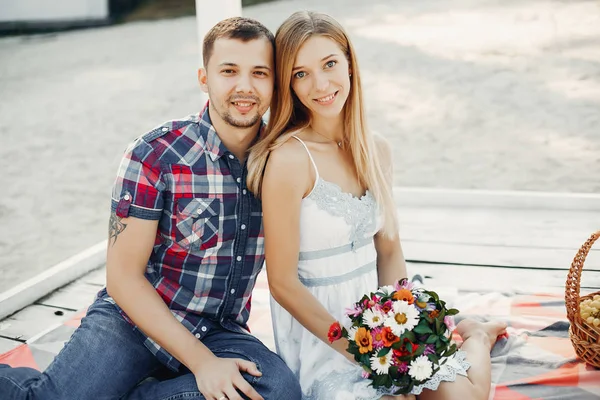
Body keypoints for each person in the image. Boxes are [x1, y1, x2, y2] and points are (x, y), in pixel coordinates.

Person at [0, 17, 301, 400]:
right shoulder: (155, 154)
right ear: (204, 79)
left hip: (219, 329)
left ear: (275, 82)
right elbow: (123, 277)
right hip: (133, 322)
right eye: (229, 71)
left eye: (259, 73)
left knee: (277, 391)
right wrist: (202, 364)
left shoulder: (281, 161)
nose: (245, 86)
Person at [246, 10, 507, 400]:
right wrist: (357, 348)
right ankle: (470, 335)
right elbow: (282, 284)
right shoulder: (289, 159)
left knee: (461, 398)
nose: (321, 84)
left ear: (350, 64)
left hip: (383, 317)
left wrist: (403, 327)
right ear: (288, 83)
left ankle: (478, 335)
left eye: (330, 64)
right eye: (301, 73)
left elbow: (389, 249)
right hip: (325, 336)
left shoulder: (376, 149)